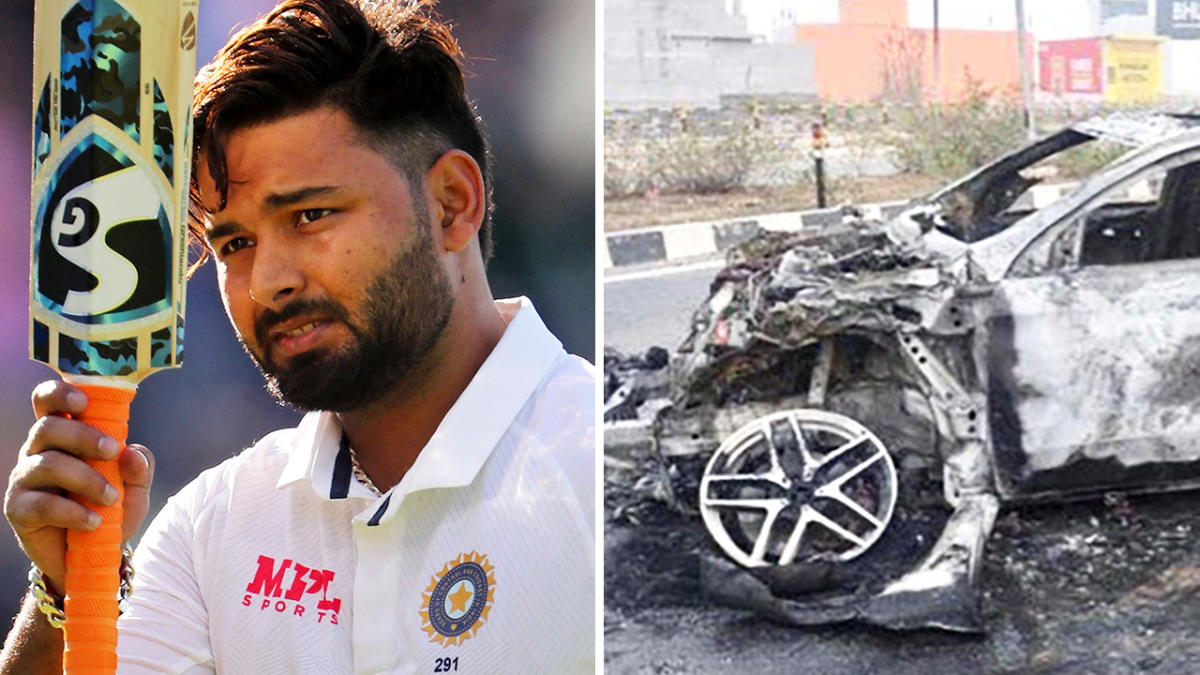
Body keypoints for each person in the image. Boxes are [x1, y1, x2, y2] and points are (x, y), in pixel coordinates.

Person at [0, 0, 595, 672]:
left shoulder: (599, 476)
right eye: (235, 243)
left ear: (452, 204)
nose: (267, 282)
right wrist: (64, 588)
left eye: (311, 215)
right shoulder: (211, 529)